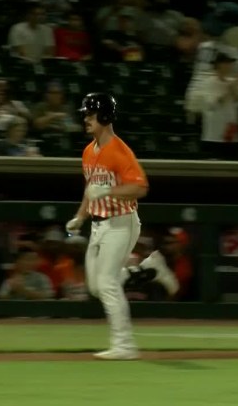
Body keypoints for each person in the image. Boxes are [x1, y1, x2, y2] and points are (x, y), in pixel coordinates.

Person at [64, 92, 149, 360]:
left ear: (104, 115)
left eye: (90, 114)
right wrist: (80, 216)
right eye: (85, 114)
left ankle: (125, 346)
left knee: (108, 284)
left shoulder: (119, 150)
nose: (85, 119)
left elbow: (140, 187)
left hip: (121, 223)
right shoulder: (89, 151)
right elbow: (91, 189)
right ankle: (143, 270)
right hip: (99, 225)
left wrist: (109, 191)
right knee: (96, 287)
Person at [200, 53, 238, 160]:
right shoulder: (208, 82)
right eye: (227, 63)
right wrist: (229, 88)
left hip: (232, 131)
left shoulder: (232, 82)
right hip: (215, 133)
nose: (230, 66)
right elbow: (213, 103)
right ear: (219, 65)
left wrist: (234, 88)